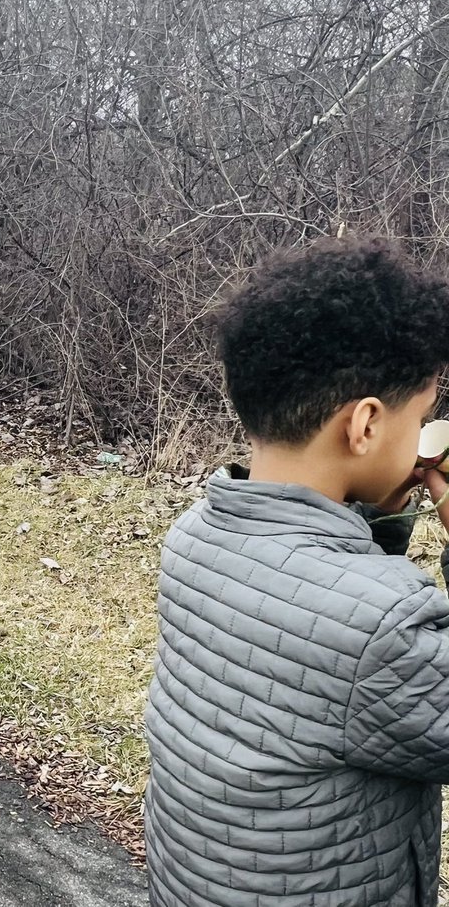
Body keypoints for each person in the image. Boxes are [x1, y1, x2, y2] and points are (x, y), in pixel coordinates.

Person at [143, 236, 449, 906]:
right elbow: (357, 630)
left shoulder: (194, 536)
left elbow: (312, 606)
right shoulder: (385, 629)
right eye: (422, 417)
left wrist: (381, 506)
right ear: (364, 423)